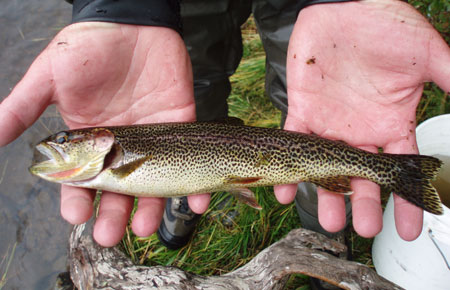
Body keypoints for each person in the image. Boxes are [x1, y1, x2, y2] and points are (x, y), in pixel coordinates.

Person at [1, 0, 449, 255]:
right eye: (62, 140)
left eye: (63, 139)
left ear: (94, 141)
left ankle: (325, 233)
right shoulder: (116, 154)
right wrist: (125, 6)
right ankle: (192, 203)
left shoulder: (118, 156)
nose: (57, 144)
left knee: (296, 96)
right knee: (197, 85)